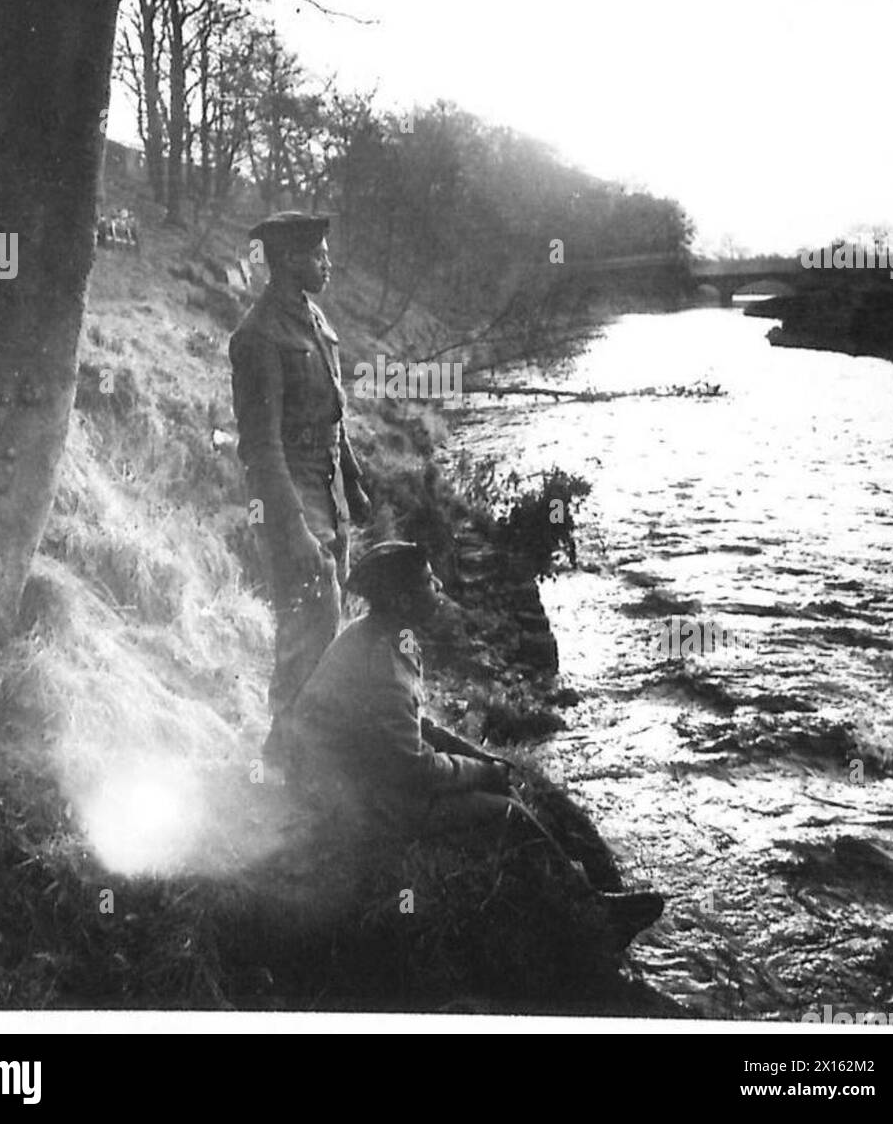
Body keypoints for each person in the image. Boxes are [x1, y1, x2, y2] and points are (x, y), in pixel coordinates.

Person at [286, 540, 665, 947]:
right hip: (348, 798)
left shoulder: (386, 636)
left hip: (350, 774)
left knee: (497, 791)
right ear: (401, 599)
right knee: (508, 814)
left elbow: (413, 725)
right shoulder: (381, 659)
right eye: (428, 582)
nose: (440, 586)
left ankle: (585, 896)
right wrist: (482, 772)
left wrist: (477, 757)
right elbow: (412, 768)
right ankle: (593, 914)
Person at [228, 211, 370, 765]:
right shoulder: (258, 336)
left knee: (326, 624)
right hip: (290, 489)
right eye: (317, 256)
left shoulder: (314, 318)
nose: (327, 264)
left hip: (325, 482)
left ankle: (314, 755)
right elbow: (261, 449)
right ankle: (283, 759)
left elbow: (334, 410)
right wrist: (295, 529)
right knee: (307, 623)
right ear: (287, 261)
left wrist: (352, 479)